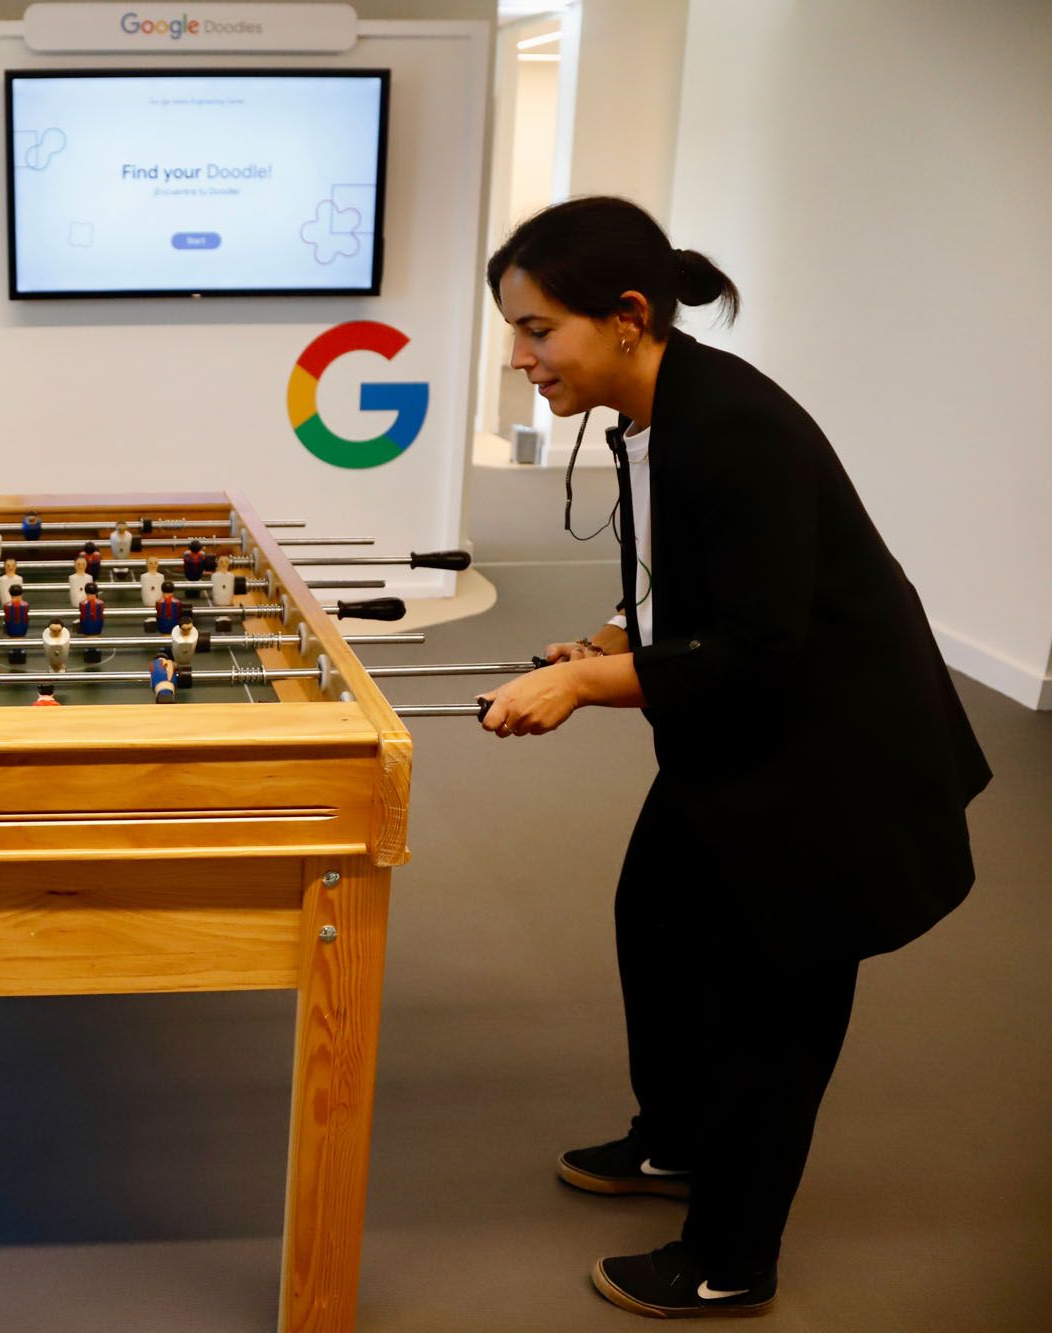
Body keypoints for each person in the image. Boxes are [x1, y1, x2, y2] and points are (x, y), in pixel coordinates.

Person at [475, 197, 990, 1318]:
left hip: (834, 759)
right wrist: (610, 642)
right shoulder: (654, 408)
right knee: (655, 915)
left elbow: (757, 647)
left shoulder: (732, 426)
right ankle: (672, 1141)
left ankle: (727, 1260)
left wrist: (576, 684)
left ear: (624, 316)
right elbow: (690, 583)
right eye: (513, 331)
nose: (520, 359)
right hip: (750, 732)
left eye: (536, 329)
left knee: (775, 1007)